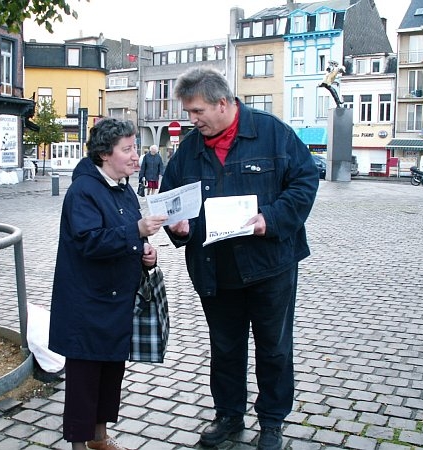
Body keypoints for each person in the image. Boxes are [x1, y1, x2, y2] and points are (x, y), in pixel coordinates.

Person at [160, 67, 319, 450]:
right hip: (215, 269)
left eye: (197, 111)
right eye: (189, 112)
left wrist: (271, 218)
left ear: (222, 103)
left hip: (270, 266)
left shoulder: (271, 132)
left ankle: (272, 422)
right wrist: (177, 227)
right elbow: (171, 196)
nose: (192, 120)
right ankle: (229, 416)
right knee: (225, 349)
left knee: (274, 348)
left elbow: (305, 181)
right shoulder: (190, 148)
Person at [48, 118, 167, 450]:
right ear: (104, 154)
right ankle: (78, 444)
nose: (135, 157)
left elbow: (129, 235)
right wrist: (137, 232)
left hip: (116, 302)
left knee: (110, 374)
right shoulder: (83, 191)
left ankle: (99, 439)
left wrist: (146, 253)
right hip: (87, 305)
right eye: (127, 150)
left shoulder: (124, 188)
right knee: (84, 381)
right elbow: (89, 241)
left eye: (135, 148)